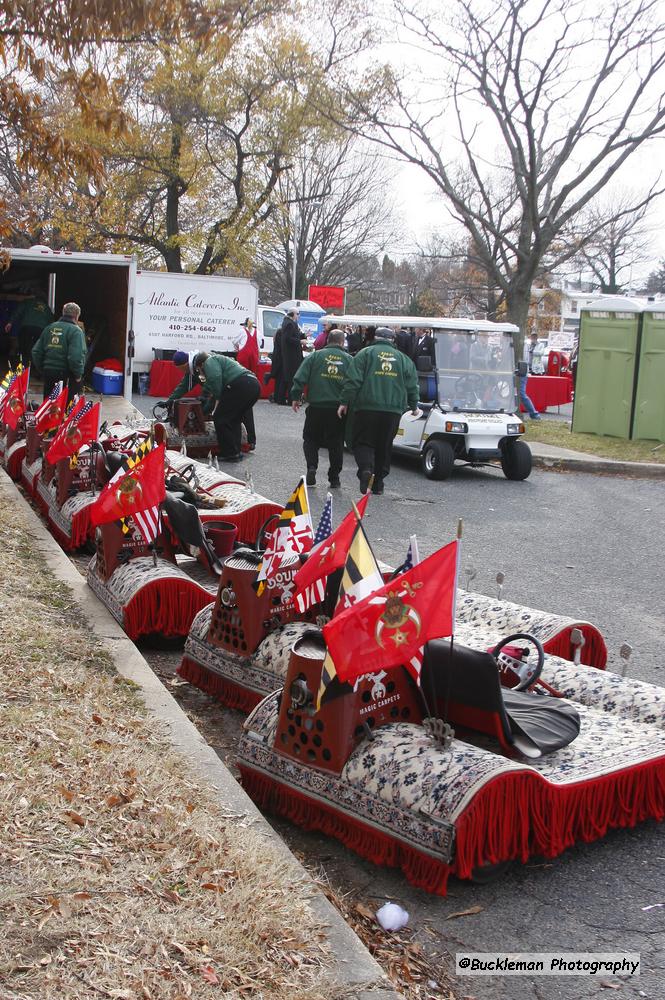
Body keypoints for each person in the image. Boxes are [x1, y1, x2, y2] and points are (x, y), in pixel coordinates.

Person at [338, 326, 419, 495]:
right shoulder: (404, 359)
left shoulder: (364, 354)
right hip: (393, 410)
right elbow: (412, 385)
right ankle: (378, 483)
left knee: (362, 442)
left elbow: (353, 380)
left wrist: (344, 402)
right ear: (393, 340)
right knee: (384, 445)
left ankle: (366, 469)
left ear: (375, 337)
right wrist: (413, 405)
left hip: (366, 408)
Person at [290, 329, 351, 488]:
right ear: (341, 342)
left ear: (327, 340)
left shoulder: (315, 356)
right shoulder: (349, 360)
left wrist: (296, 397)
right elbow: (354, 383)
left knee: (310, 439)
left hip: (316, 407)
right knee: (336, 443)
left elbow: (300, 377)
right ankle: (334, 478)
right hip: (337, 409)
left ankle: (312, 466)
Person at [193, 351, 259, 462]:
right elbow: (212, 396)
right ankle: (235, 451)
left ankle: (229, 453)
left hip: (240, 385)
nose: (201, 373)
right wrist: (203, 413)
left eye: (199, 370)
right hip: (253, 385)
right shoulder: (221, 362)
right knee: (234, 419)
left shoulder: (209, 361)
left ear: (201, 365)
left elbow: (215, 378)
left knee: (220, 418)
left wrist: (218, 397)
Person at [32, 301, 86, 401]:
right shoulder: (76, 331)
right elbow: (75, 357)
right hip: (67, 376)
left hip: (49, 373)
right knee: (65, 408)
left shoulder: (49, 328)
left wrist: (43, 369)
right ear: (77, 316)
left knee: (48, 407)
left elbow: (36, 352)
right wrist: (78, 375)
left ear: (63, 313)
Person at [162, 350, 215, 420]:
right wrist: (170, 401)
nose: (182, 371)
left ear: (186, 364)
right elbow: (183, 387)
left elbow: (212, 382)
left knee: (207, 409)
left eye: (181, 368)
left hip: (225, 385)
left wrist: (205, 397)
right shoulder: (191, 369)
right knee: (203, 408)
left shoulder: (201, 364)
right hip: (213, 389)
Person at [6, 295, 54, 367]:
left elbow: (18, 311)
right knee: (37, 350)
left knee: (24, 348)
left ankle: (24, 367)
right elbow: (51, 321)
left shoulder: (27, 302)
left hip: (26, 328)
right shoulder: (47, 307)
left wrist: (10, 322)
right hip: (40, 330)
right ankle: (36, 369)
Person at [279, 309, 307, 403]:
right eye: (297, 314)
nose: (298, 316)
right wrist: (300, 341)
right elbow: (288, 338)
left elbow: (292, 335)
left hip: (289, 354)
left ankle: (285, 398)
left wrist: (302, 335)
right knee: (292, 377)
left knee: (288, 377)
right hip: (292, 356)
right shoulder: (290, 324)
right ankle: (292, 399)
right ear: (293, 314)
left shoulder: (287, 323)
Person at [520, 332, 541, 420]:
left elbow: (525, 360)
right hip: (522, 371)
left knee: (522, 394)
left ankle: (534, 414)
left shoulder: (524, 346)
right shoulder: (526, 345)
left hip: (522, 372)